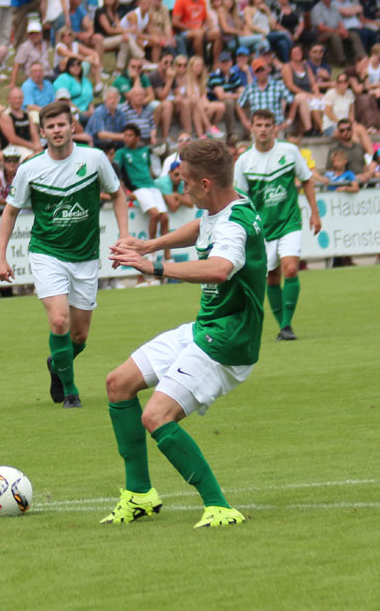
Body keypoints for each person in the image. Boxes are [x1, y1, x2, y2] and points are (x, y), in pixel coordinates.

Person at [103, 138, 263, 530]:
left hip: (228, 340)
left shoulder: (236, 226)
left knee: (156, 415)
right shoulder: (224, 205)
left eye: (186, 181)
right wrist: (152, 244)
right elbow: (201, 226)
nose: (181, 188)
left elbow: (219, 269)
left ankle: (219, 506)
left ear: (206, 183)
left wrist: (154, 268)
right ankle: (140, 495)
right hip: (206, 326)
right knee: (118, 383)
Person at [0, 100, 129, 409]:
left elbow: (118, 194)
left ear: (72, 127)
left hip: (85, 256)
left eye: (61, 125)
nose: (56, 130)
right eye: (50, 126)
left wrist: (124, 236)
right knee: (59, 321)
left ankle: (57, 364)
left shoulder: (94, 159)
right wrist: (0, 257)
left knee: (79, 337)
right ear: (42, 132)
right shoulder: (30, 169)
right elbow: (10, 212)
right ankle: (70, 391)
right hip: (47, 253)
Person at [233, 109, 320, 342]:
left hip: (289, 221)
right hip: (263, 228)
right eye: (258, 125)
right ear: (251, 127)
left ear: (275, 128)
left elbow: (307, 180)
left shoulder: (289, 151)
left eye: (267, 125)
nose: (263, 129)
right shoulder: (244, 162)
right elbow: (241, 199)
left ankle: (286, 325)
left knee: (291, 268)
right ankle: (282, 325)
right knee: (272, 276)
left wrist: (315, 213)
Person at [115, 124, 169, 255]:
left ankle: (168, 255)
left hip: (152, 187)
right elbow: (116, 172)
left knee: (165, 218)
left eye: (130, 135)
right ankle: (151, 252)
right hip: (138, 188)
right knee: (155, 214)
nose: (127, 138)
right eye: (125, 135)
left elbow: (150, 169)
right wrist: (125, 191)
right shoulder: (121, 152)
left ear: (137, 137)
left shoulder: (145, 150)